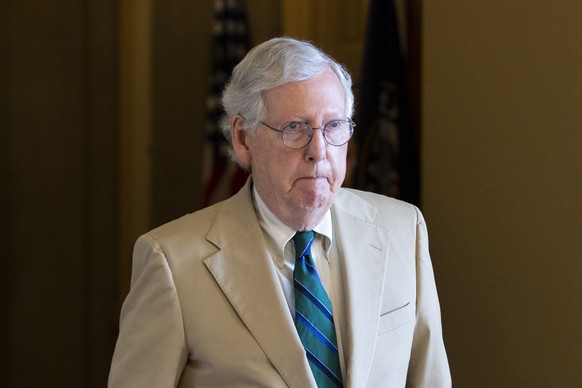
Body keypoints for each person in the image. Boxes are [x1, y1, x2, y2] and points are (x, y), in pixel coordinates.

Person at [109, 37, 451, 387]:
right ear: (243, 139)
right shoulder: (172, 262)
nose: (319, 151)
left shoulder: (402, 230)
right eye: (295, 129)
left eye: (333, 126)